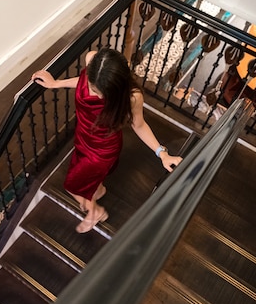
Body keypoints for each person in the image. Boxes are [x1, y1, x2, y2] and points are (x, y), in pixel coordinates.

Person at [32, 48, 182, 233]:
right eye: (95, 90)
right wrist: (56, 83)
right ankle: (98, 190)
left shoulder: (132, 97)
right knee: (88, 178)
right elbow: (83, 82)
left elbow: (139, 125)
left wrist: (162, 153)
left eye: (105, 94)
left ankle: (96, 212)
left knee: (72, 186)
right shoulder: (92, 61)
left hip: (102, 150)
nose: (99, 97)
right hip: (83, 136)